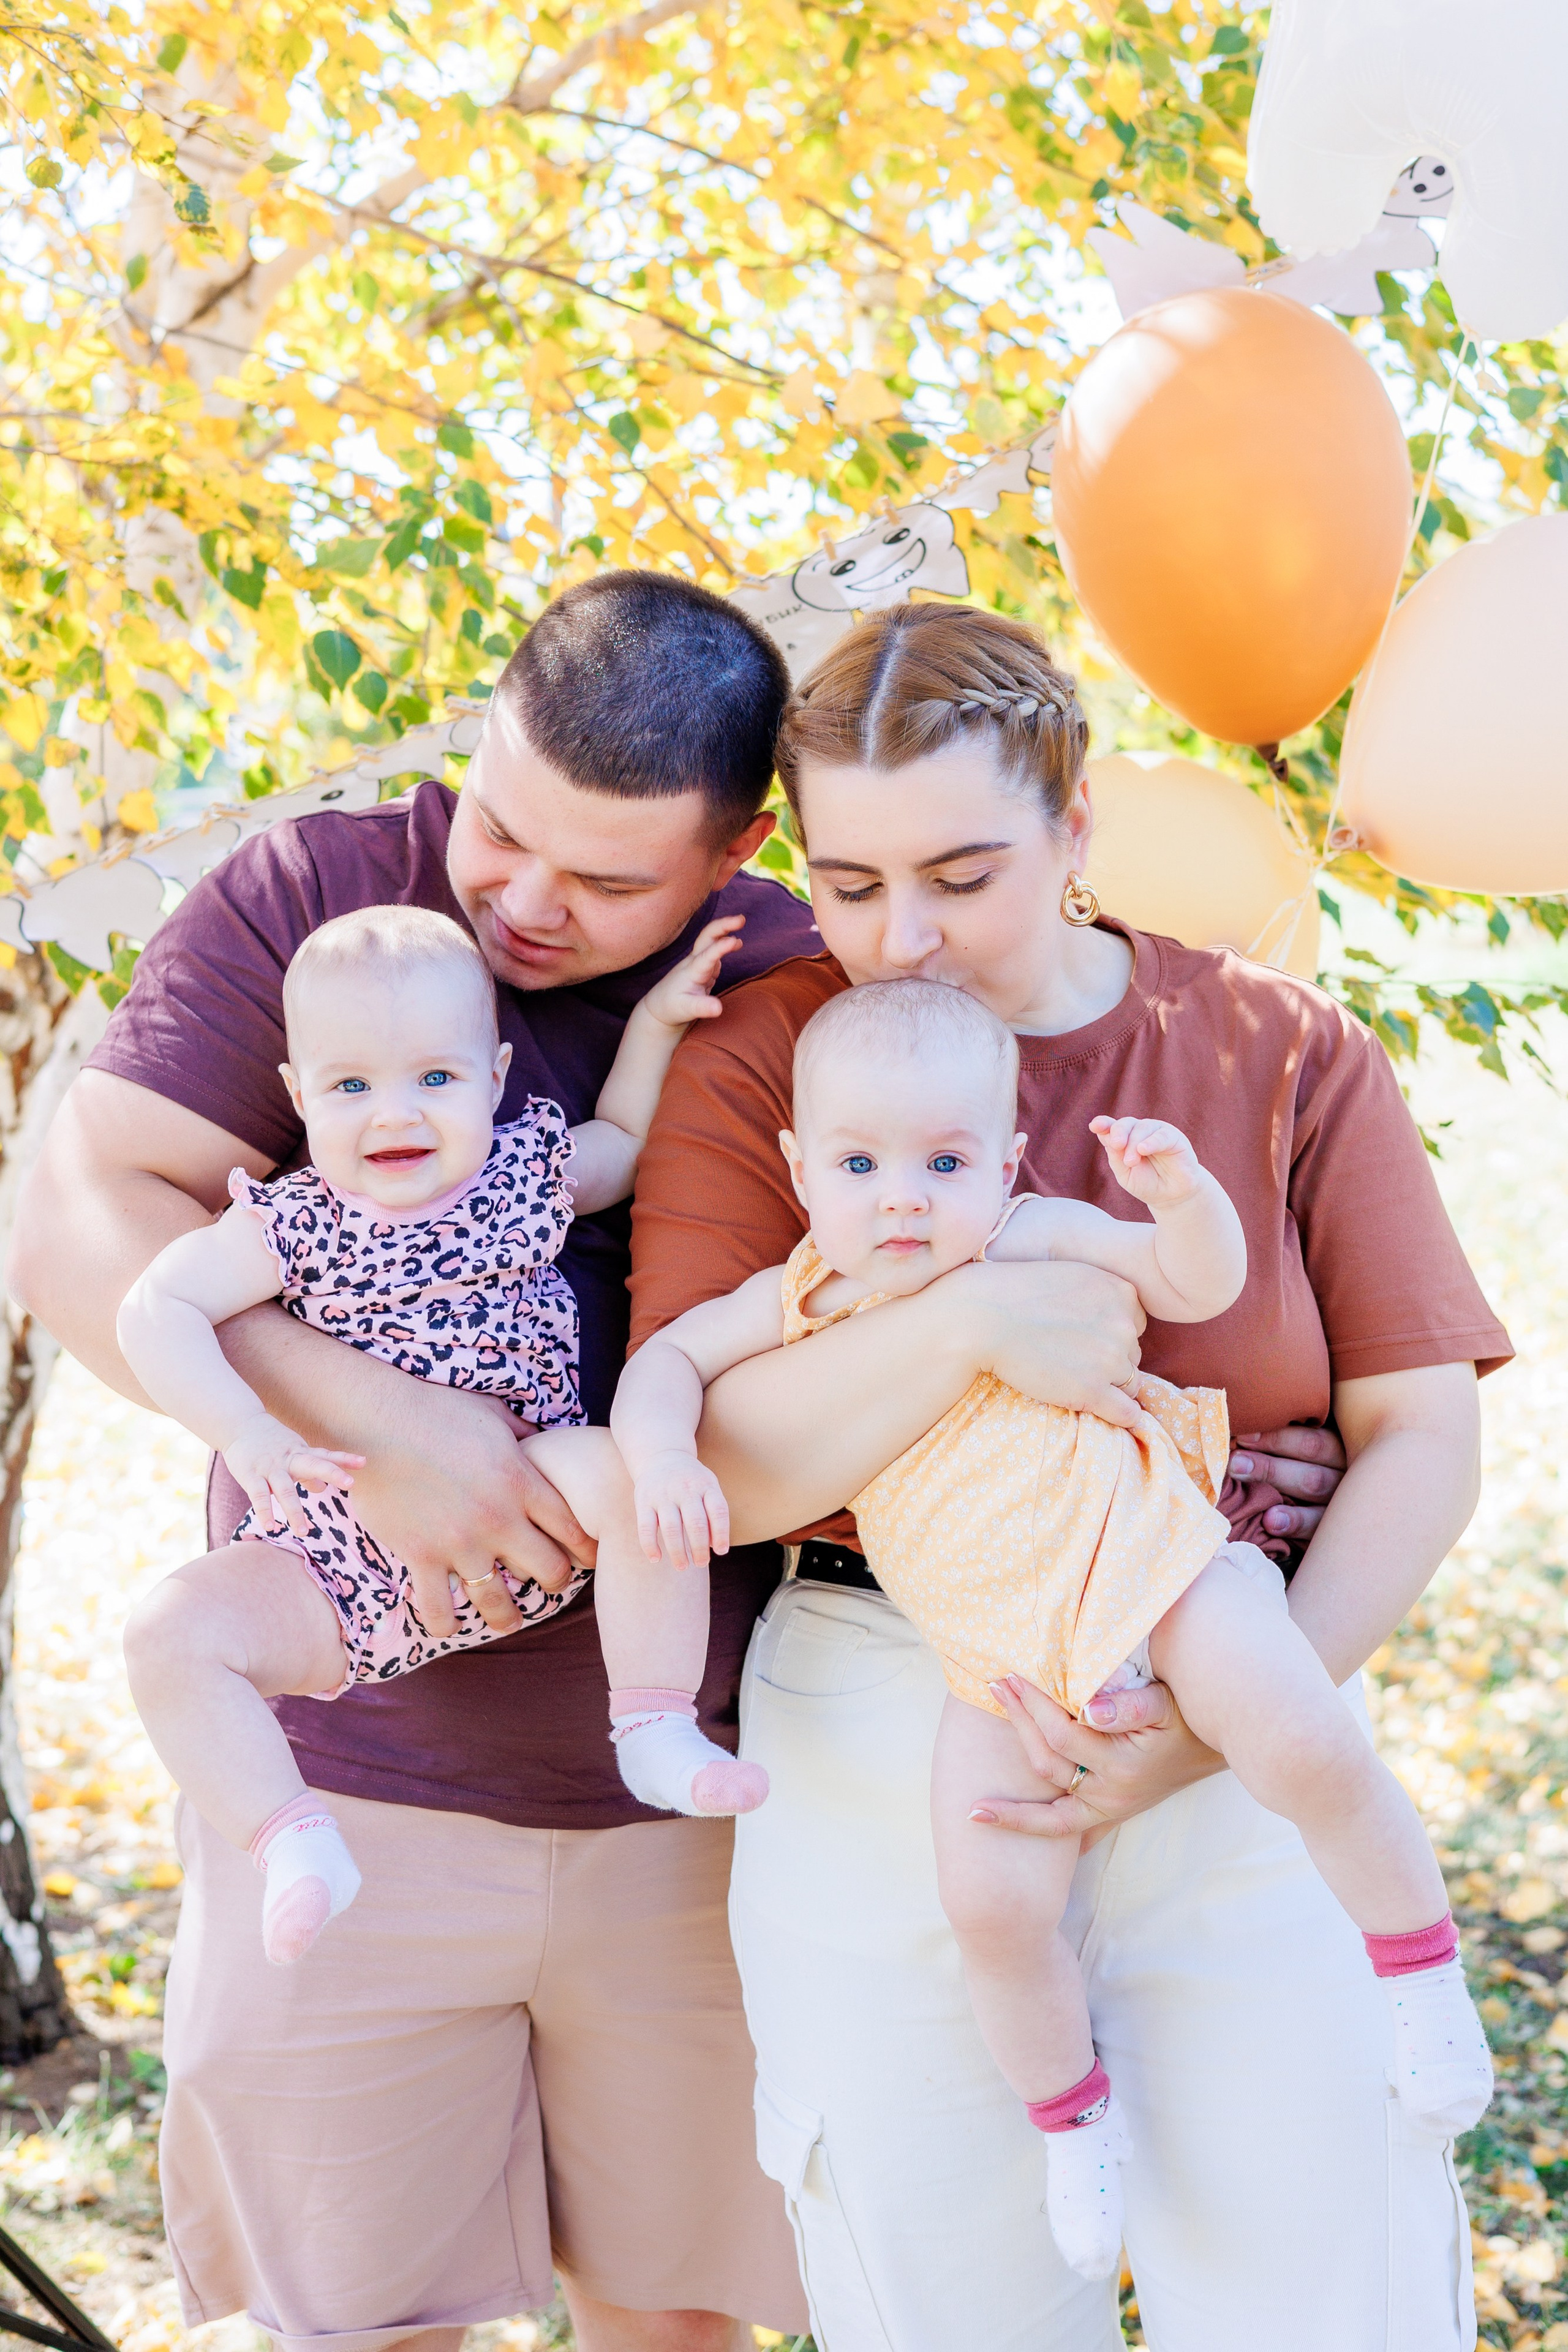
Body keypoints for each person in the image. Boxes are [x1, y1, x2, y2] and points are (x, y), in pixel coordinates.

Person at [627, 601, 1512, 2351]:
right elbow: (714, 1462)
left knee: (1319, 2275)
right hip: (895, 1712)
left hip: (1238, 1675)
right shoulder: (770, 1068)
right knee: (940, 2292)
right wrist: (976, 1331)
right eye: (854, 882)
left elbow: (1423, 1431)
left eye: (965, 873)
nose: (905, 939)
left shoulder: (1273, 1051)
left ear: (1079, 823)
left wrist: (1208, 1729)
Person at [7, 571, 821, 2352]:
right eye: (508, 830)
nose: (527, 903)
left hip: (683, 1811)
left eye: (608, 881)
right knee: (358, 2325)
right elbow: (79, 1227)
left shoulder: (779, 975)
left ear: (735, 849)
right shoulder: (316, 899)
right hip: (349, 1781)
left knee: (678, 2316)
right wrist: (391, 1431)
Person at [116, 903, 763, 1970]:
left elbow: (627, 1142)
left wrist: (653, 1022)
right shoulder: (295, 1221)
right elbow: (155, 1308)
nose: (395, 1115)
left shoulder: (519, 1177)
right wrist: (242, 1428)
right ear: (299, 1096)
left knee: (641, 1475)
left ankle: (653, 1725)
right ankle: (291, 1840)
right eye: (352, 1087)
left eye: (437, 1079)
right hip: (332, 1568)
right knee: (167, 1638)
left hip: (535, 1496)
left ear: (496, 1077)